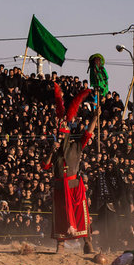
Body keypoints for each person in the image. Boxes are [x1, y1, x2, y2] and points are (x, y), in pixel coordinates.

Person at [42, 84, 99, 254]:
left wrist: (95, 118)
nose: (60, 137)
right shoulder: (54, 151)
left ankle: (87, 243)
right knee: (60, 218)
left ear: (67, 135)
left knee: (82, 216)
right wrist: (52, 151)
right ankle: (60, 246)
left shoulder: (76, 146)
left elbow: (88, 133)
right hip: (60, 188)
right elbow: (45, 166)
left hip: (75, 187)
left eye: (62, 134)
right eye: (58, 134)